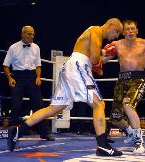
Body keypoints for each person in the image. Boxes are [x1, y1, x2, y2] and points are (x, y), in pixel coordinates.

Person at [7, 18, 123, 156]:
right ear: (110, 25)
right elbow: (94, 58)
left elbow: (93, 58)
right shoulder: (97, 30)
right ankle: (103, 145)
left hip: (71, 68)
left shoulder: (91, 32)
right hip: (78, 67)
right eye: (117, 32)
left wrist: (103, 57)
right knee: (99, 104)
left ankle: (19, 129)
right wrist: (102, 55)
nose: (116, 36)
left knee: (54, 108)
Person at [102, 20, 145, 154]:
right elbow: (103, 59)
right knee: (115, 117)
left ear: (137, 31)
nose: (130, 31)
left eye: (132, 29)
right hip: (122, 81)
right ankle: (130, 132)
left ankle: (139, 141)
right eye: (127, 29)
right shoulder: (117, 44)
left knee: (128, 105)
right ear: (123, 32)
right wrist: (97, 59)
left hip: (138, 79)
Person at [3, 25, 54, 141]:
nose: (32, 36)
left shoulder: (36, 47)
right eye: (29, 34)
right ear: (22, 34)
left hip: (32, 77)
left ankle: (43, 132)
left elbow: (38, 65)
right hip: (18, 77)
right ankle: (14, 133)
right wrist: (10, 78)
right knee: (16, 105)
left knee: (39, 105)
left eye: (33, 34)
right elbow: (5, 65)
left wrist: (38, 77)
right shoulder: (13, 47)